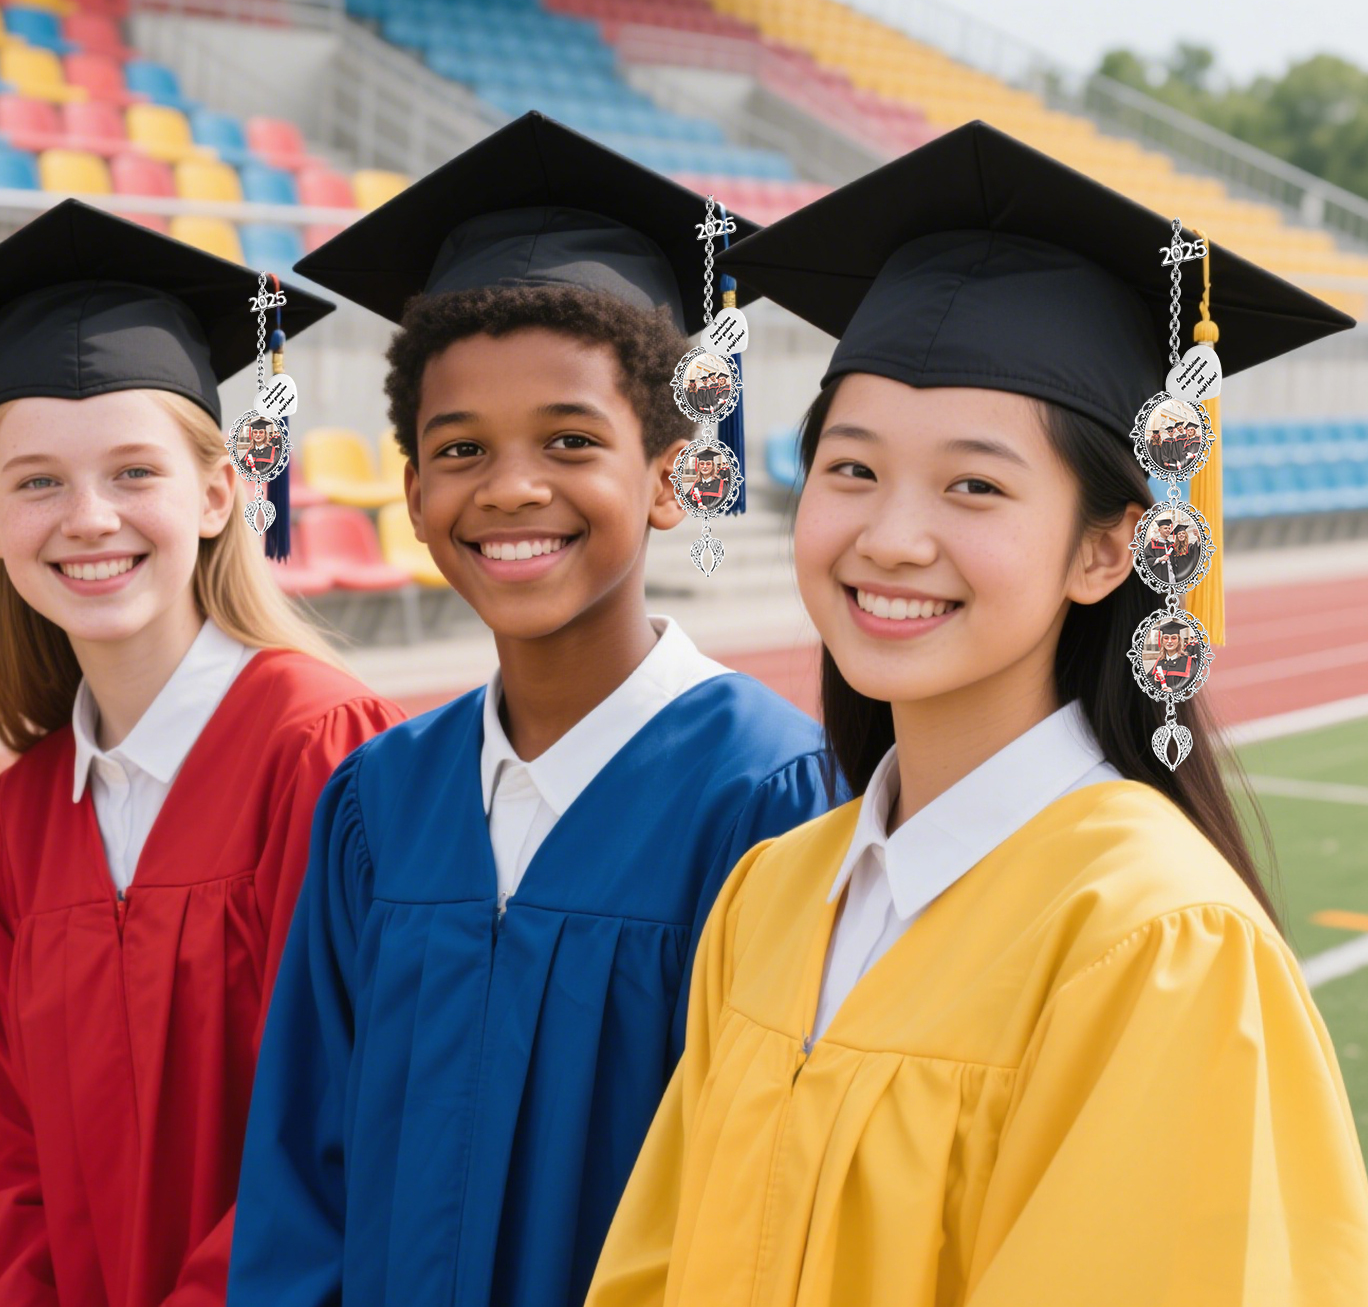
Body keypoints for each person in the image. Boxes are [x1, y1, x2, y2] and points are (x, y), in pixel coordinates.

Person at [586, 120, 1368, 1307]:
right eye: (850, 469)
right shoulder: (773, 896)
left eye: (974, 486)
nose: (891, 536)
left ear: (1110, 548)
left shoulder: (1153, 941)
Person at [228, 113, 836, 1307]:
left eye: (571, 440)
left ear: (669, 477)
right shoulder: (378, 803)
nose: (510, 486)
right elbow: (304, 1171)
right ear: (409, 492)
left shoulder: (770, 798)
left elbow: (774, 1203)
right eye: (458, 448)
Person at [0, 200, 405, 1307]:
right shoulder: (16, 823)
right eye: (38, 480)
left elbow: (350, 1119)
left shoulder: (320, 751)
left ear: (214, 494)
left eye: (134, 473)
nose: (88, 517)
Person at [1151, 617, 1200, 694]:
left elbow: (1193, 687)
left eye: (1173, 638)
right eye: (1166, 638)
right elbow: (1146, 681)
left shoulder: (1188, 662)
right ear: (1162, 641)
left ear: (1179, 641)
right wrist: (1154, 679)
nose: (1169, 641)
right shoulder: (1159, 661)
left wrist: (1174, 691)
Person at [684, 447, 728, 511]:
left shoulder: (721, 484)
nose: (705, 466)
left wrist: (709, 509)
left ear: (713, 466)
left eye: (708, 464)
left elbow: (725, 505)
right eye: (702, 464)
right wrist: (692, 499)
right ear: (698, 466)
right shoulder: (696, 483)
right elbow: (684, 501)